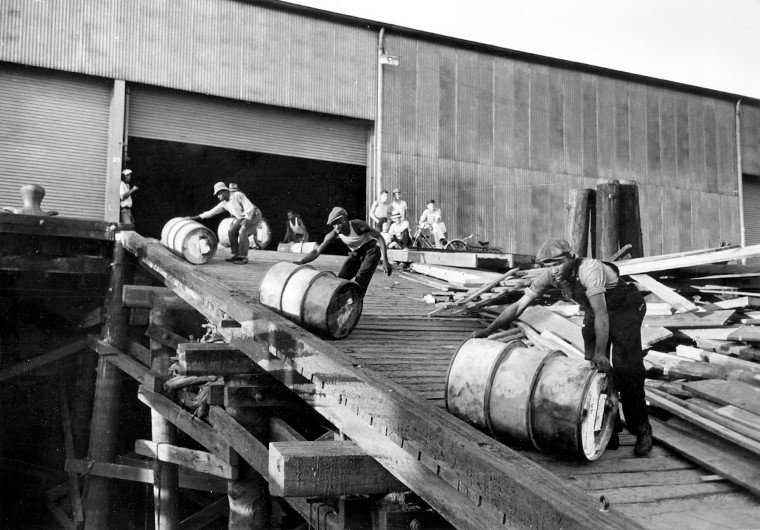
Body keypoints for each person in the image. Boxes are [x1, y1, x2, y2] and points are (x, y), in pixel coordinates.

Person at [472, 238, 653, 457]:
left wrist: (601, 353)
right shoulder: (550, 275)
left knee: (627, 371)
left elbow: (602, 313)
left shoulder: (589, 270)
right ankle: (609, 428)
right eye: (548, 265)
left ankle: (642, 429)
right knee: (595, 373)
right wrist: (487, 331)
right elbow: (519, 306)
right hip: (596, 313)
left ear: (571, 258)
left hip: (625, 310)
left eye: (558, 263)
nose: (554, 270)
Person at [295, 207, 391, 296]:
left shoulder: (358, 225)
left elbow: (379, 237)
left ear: (345, 220)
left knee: (361, 278)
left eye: (338, 223)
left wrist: (385, 261)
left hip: (371, 251)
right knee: (340, 279)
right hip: (356, 254)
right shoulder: (334, 234)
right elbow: (317, 251)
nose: (336, 227)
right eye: (334, 224)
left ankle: (356, 302)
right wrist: (301, 261)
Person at [188, 182, 262, 265]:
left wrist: (246, 220)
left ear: (226, 191)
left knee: (243, 230)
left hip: (253, 214)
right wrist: (195, 217)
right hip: (242, 217)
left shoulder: (238, 195)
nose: (218, 196)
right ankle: (236, 254)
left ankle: (243, 257)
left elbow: (250, 208)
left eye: (219, 193)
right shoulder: (224, 204)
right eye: (217, 194)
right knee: (231, 231)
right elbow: (210, 213)